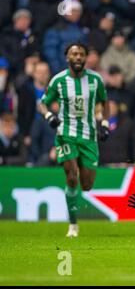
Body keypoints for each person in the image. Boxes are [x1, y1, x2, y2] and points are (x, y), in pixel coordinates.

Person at [38, 42, 110, 238]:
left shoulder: (96, 80)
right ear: (67, 57)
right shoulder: (58, 80)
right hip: (65, 134)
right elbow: (42, 104)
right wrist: (49, 116)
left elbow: (104, 103)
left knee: (86, 184)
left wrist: (104, 123)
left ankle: (77, 192)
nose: (77, 57)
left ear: (86, 58)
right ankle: (72, 224)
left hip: (88, 136)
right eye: (74, 54)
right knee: (71, 176)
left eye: (81, 54)